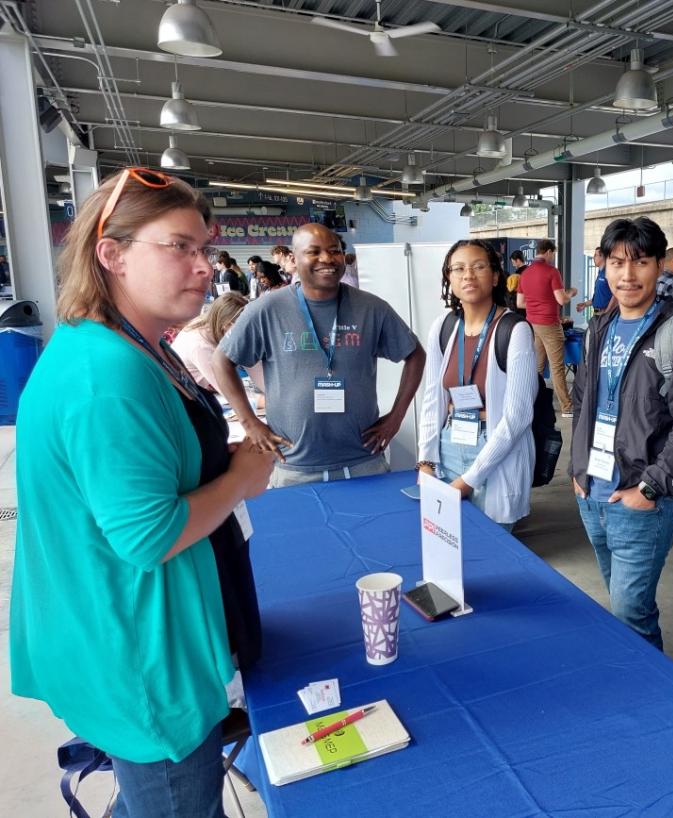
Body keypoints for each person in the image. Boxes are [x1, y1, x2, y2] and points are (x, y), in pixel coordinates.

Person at [9, 167, 275, 817]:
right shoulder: (108, 374)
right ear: (112, 255)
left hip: (129, 630)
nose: (204, 266)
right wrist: (242, 478)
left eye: (205, 249)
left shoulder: (132, 346)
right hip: (140, 657)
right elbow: (148, 535)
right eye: (180, 246)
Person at [570, 216, 673, 649]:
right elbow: (582, 401)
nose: (627, 275)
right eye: (616, 263)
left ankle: (649, 700)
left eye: (640, 262)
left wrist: (651, 487)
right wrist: (579, 471)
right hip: (592, 493)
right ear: (603, 266)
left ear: (659, 267)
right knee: (623, 610)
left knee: (630, 612)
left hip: (641, 500)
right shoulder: (600, 325)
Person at [212, 223, 425, 487]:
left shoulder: (371, 308)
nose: (327, 258)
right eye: (314, 251)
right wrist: (250, 422)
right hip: (294, 466)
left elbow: (415, 354)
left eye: (334, 250)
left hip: (364, 461)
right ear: (293, 258)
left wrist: (396, 417)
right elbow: (221, 360)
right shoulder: (267, 309)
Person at [416, 240, 537, 529]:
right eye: (458, 268)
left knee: (490, 553)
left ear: (495, 276)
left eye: (478, 267)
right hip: (447, 448)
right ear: (449, 278)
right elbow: (433, 398)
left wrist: (469, 480)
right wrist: (426, 462)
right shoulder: (443, 327)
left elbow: (517, 417)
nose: (467, 275)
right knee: (446, 547)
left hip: (494, 451)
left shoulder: (514, 330)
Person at [516, 239, 577, 417]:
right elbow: (562, 299)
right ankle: (567, 407)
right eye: (554, 254)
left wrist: (537, 303)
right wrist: (572, 291)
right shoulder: (552, 272)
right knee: (558, 367)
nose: (553, 257)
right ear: (549, 252)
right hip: (550, 324)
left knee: (538, 367)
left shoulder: (525, 274)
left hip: (532, 324)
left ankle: (533, 404)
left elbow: (520, 303)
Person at [173, 291, 264, 398]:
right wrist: (265, 401)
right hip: (186, 399)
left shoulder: (214, 325)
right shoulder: (200, 345)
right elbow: (230, 393)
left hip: (202, 390)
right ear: (226, 325)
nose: (248, 334)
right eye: (245, 329)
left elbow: (255, 369)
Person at [576, 246, 616, 315]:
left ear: (602, 257)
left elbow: (616, 295)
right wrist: (585, 304)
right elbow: (599, 297)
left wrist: (607, 312)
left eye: (595, 255)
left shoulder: (609, 273)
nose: (593, 258)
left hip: (605, 314)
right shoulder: (600, 273)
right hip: (597, 313)